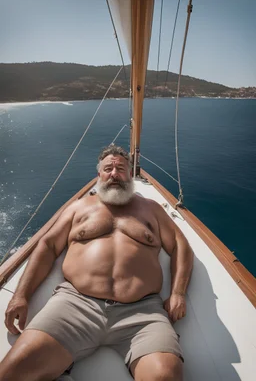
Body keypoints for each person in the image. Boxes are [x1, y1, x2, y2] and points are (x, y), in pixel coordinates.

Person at [0, 145, 193, 381]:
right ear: (98, 175)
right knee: (12, 372)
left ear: (130, 174)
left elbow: (181, 246)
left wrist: (178, 293)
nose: (114, 173)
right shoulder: (79, 207)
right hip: (74, 305)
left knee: (166, 377)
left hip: (143, 312)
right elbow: (48, 246)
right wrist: (21, 295)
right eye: (108, 168)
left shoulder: (151, 209)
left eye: (121, 168)